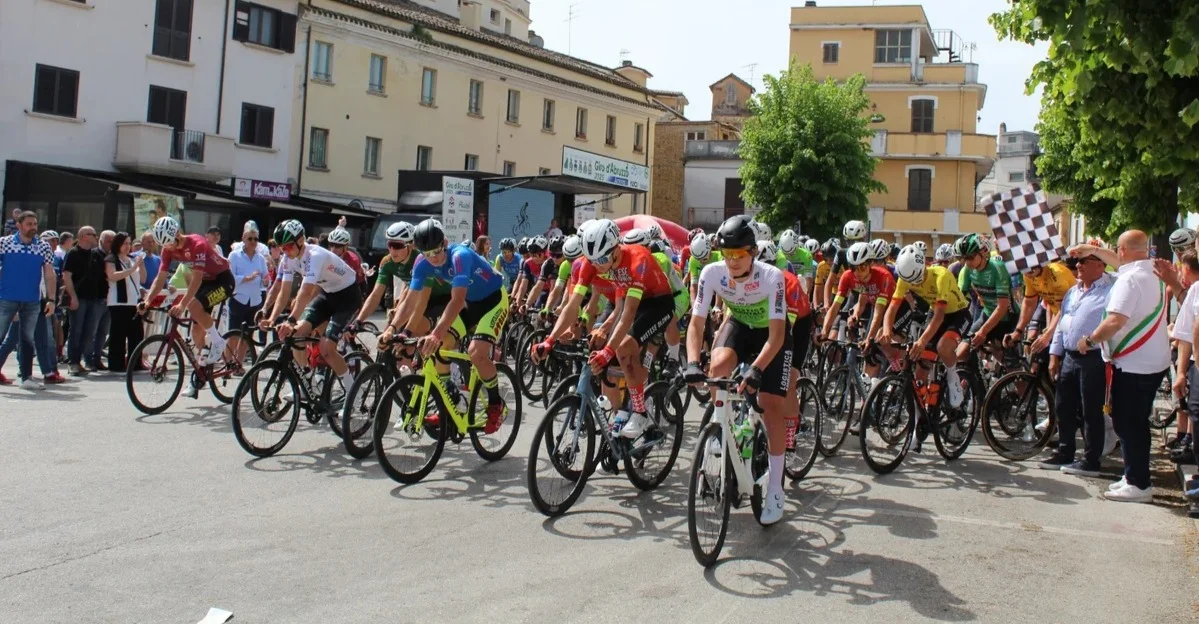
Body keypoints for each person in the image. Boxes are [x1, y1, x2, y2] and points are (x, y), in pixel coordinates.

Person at [683, 214, 792, 525]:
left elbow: (777, 336)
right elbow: (696, 322)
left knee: (770, 404)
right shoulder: (711, 272)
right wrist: (692, 362)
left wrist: (757, 369)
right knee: (716, 366)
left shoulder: (772, 277)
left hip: (771, 335)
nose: (731, 262)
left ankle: (774, 488)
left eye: (739, 255)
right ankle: (720, 431)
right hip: (740, 324)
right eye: (727, 255)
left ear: (753, 253)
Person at [534, 218, 679, 441]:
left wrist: (609, 352)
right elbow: (573, 305)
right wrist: (550, 340)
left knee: (623, 348)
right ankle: (622, 407)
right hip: (629, 301)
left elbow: (628, 313)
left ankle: (640, 411)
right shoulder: (591, 263)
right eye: (593, 260)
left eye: (602, 259)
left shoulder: (637, 259)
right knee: (599, 351)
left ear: (615, 249)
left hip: (657, 303)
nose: (598, 265)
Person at [381, 219, 511, 432]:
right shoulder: (422, 263)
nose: (434, 258)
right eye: (427, 253)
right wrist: (393, 329)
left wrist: (435, 333)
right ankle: (451, 400)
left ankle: (496, 404)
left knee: (476, 353)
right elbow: (411, 299)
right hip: (471, 303)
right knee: (439, 348)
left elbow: (457, 301)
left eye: (437, 251)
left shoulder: (460, 257)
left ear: (445, 243)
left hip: (493, 301)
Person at [1069, 232, 1171, 503]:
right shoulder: (1149, 270)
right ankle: (1133, 474)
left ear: (1123, 249)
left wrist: (1089, 340)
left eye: (1117, 250)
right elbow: (1118, 261)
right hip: (1150, 360)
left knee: (1129, 424)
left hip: (1134, 364)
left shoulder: (1128, 280)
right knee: (1132, 422)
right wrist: (1090, 249)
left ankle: (1139, 483)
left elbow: (1114, 321)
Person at [259, 220, 363, 393]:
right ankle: (308, 381)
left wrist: (291, 319)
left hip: (348, 297)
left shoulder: (315, 256)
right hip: (328, 294)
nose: (286, 251)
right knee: (295, 335)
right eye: (282, 248)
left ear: (301, 241)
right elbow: (284, 292)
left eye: (289, 246)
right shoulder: (288, 258)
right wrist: (271, 318)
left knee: (327, 348)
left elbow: (306, 292)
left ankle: (354, 392)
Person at [1041, 250, 1117, 475]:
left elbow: (1123, 269)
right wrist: (1055, 354)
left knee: (1090, 410)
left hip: (1093, 357)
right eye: (1078, 262)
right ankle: (1065, 452)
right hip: (1070, 357)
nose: (1079, 265)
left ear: (1101, 266)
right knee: (1063, 406)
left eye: (1085, 261)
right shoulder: (1073, 292)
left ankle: (1091, 459)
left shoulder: (1110, 289)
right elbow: (1063, 324)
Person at [140, 218, 236, 395]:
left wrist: (182, 304)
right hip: (207, 284)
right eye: (163, 245)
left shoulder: (197, 243)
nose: (167, 248)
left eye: (169, 243)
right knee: (195, 332)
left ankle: (218, 341)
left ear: (177, 234)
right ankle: (201, 374)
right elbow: (160, 279)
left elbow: (197, 278)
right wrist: (147, 301)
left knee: (192, 305)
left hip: (223, 280)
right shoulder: (167, 250)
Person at [882, 245, 972, 410]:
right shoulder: (905, 277)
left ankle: (954, 379)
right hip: (934, 310)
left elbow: (940, 316)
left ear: (924, 266)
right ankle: (921, 418)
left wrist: (922, 340)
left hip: (957, 313)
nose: (917, 284)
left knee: (943, 347)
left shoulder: (941, 275)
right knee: (920, 369)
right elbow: (892, 308)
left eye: (919, 278)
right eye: (913, 282)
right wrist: (887, 331)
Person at [0, 211, 57, 389]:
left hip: (32, 300)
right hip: (6, 298)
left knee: (27, 339)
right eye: (29, 224)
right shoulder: (4, 243)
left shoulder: (43, 246)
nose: (33, 227)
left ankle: (27, 378)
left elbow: (49, 274)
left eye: (35, 224)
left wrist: (51, 299)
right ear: (19, 225)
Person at [61, 226, 108, 375]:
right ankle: (73, 362)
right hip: (79, 298)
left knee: (89, 332)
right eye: (92, 234)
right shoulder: (73, 253)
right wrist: (73, 297)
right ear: (82, 236)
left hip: (94, 299)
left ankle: (80, 360)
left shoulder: (95, 255)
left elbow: (103, 276)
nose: (95, 236)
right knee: (76, 330)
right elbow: (66, 276)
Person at [103, 232, 144, 373]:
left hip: (134, 301)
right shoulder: (111, 259)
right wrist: (132, 269)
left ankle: (135, 363)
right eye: (125, 243)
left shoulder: (132, 259)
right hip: (118, 302)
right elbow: (112, 276)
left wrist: (140, 265)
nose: (128, 246)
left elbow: (142, 279)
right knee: (118, 334)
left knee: (136, 334)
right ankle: (116, 364)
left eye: (129, 243)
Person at [227, 224, 269, 335]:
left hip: (255, 302)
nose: (253, 241)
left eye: (256, 239)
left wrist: (265, 282)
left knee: (247, 338)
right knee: (233, 336)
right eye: (250, 238)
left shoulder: (261, 259)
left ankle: (243, 353)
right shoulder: (234, 256)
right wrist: (247, 278)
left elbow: (265, 279)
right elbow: (229, 279)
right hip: (238, 300)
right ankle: (228, 353)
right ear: (243, 239)